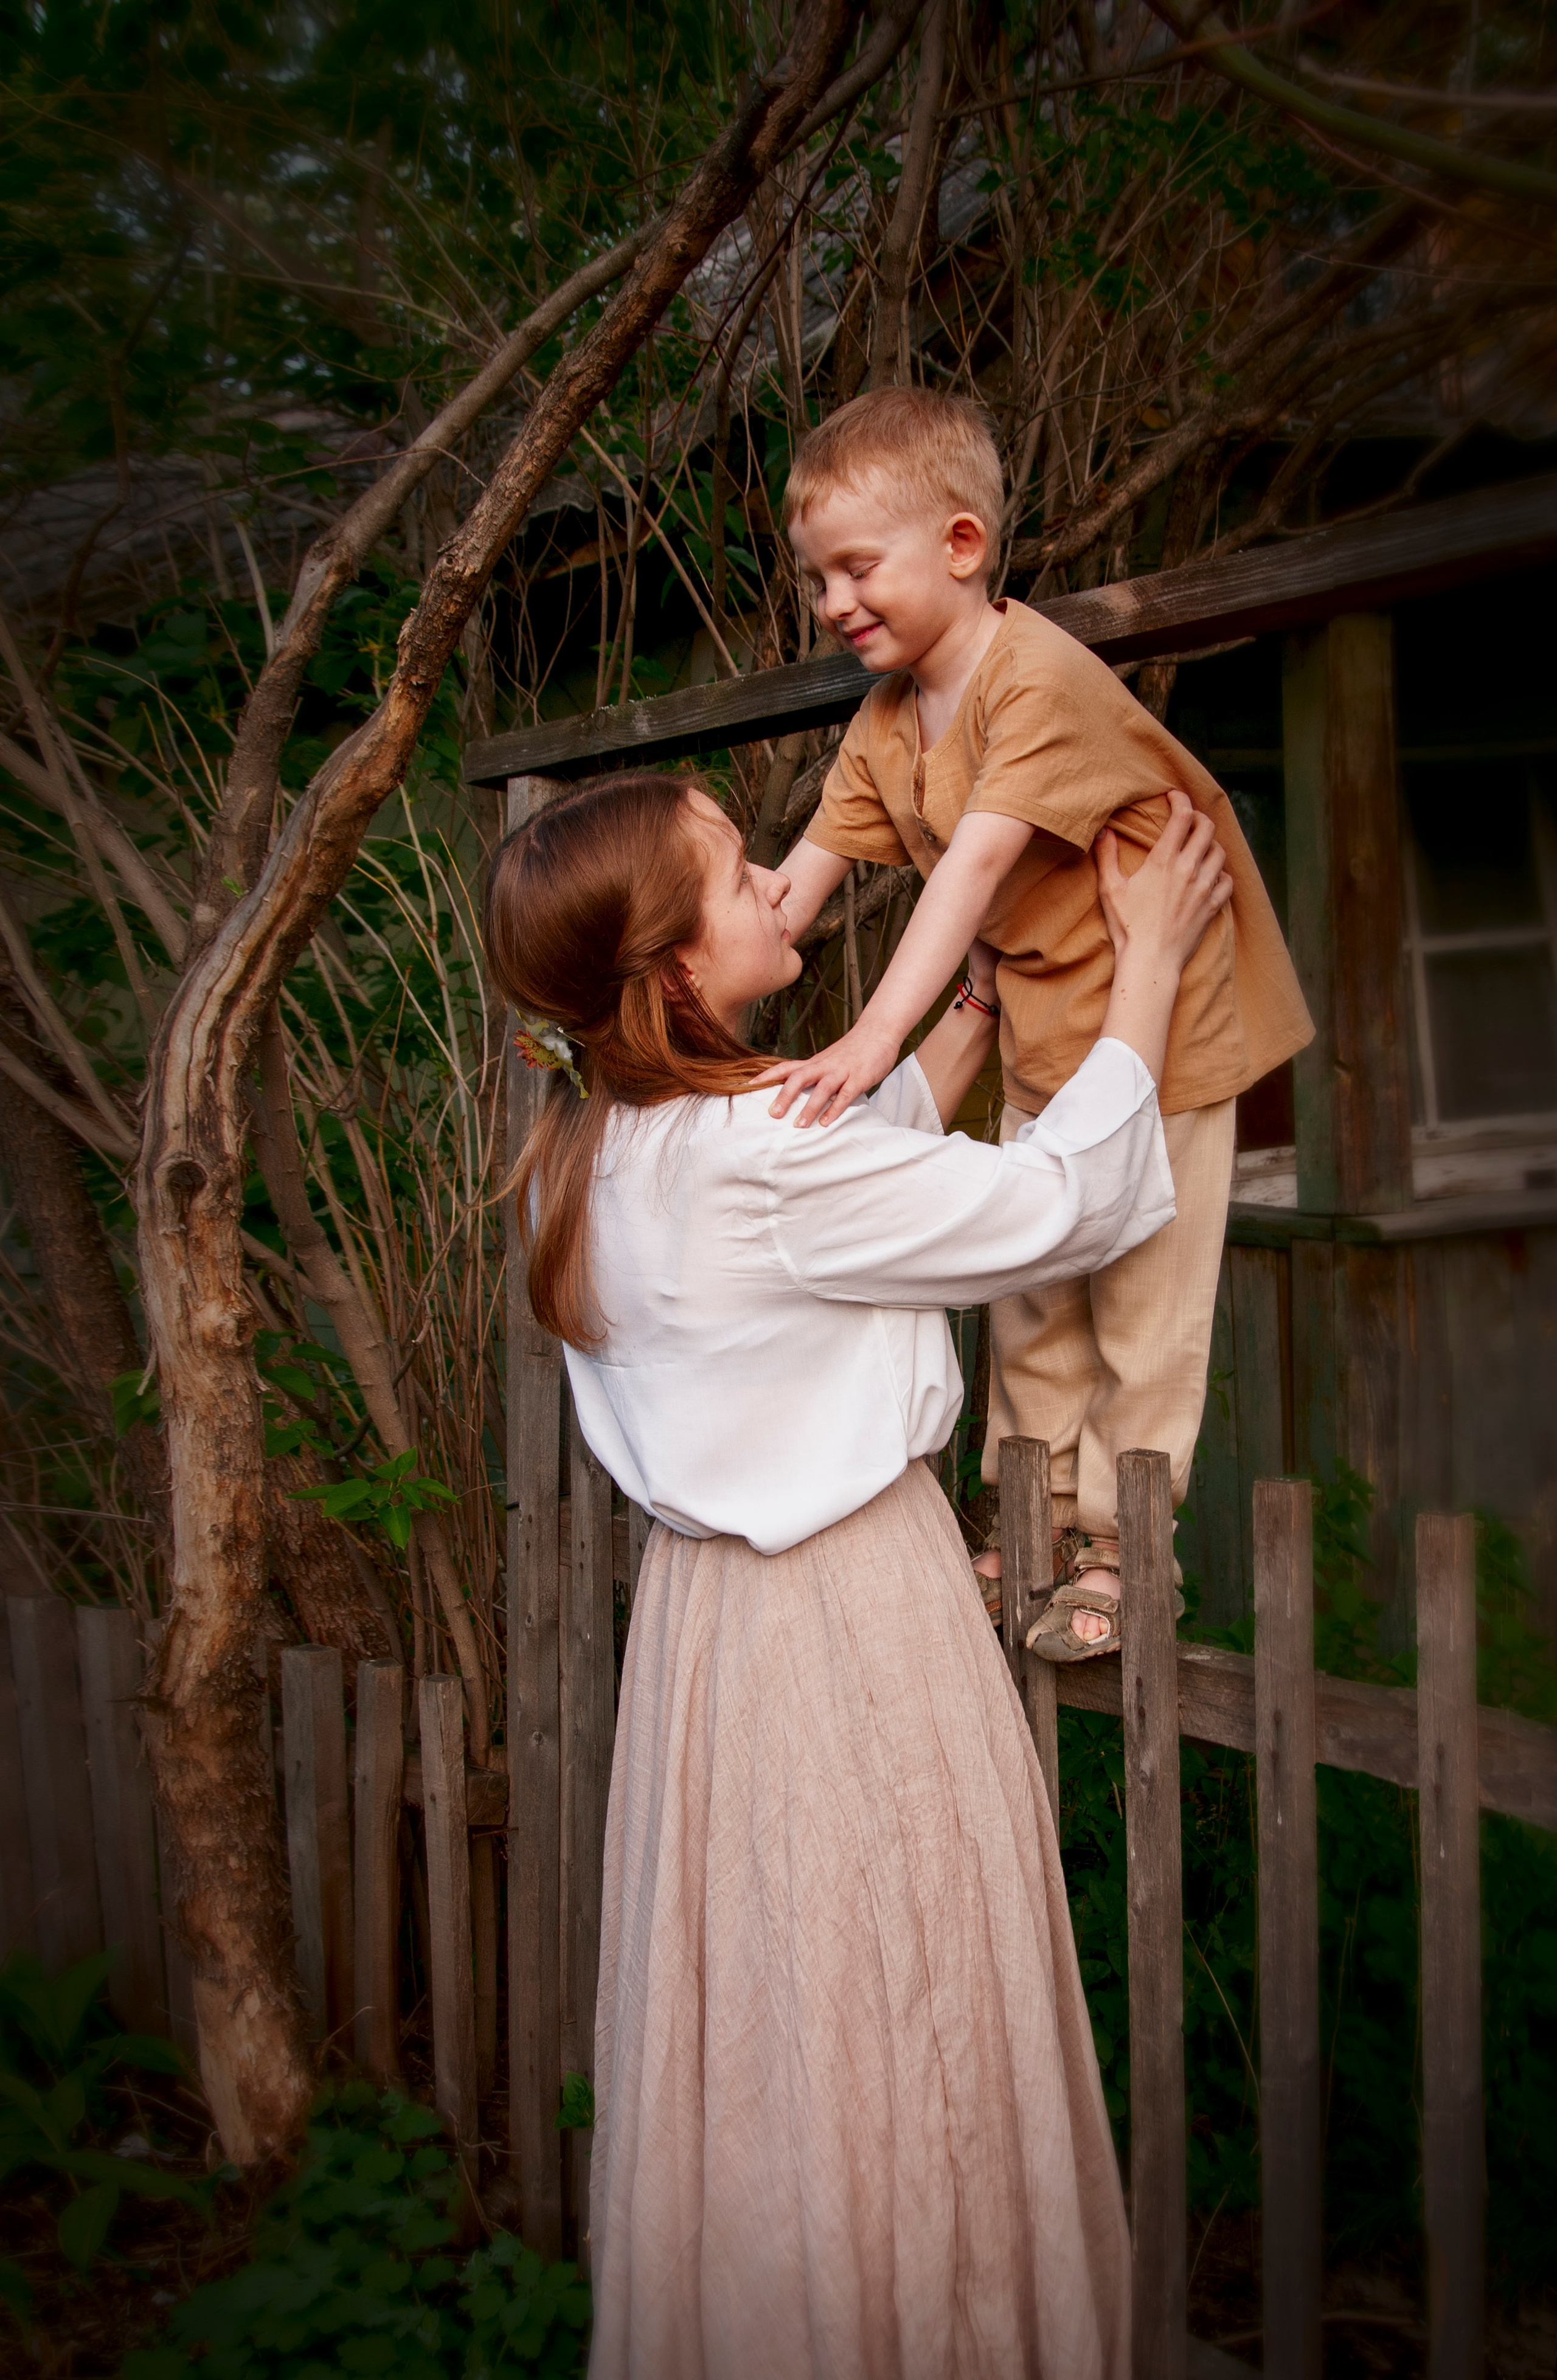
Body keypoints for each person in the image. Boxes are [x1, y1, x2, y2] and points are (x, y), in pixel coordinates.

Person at [483, 767, 1233, 2378]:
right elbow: (1058, 1205)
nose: (776, 885)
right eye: (737, 876)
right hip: (848, 1620)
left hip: (705, 1643)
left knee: (760, 2036)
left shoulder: (595, 1148)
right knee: (901, 2013)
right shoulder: (754, 1153)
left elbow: (833, 1182)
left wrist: (960, 1022)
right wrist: (1153, 962)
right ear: (677, 968)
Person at [768, 387, 1313, 1658]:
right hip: (1045, 1035)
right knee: (1029, 1296)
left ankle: (1128, 1551)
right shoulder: (889, 716)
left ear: (958, 547)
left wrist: (871, 1043)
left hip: (1162, 1020)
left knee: (1139, 1303)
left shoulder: (1034, 680)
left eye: (856, 568)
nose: (833, 602)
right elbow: (799, 880)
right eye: (815, 579)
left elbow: (966, 871)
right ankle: (1032, 1522)